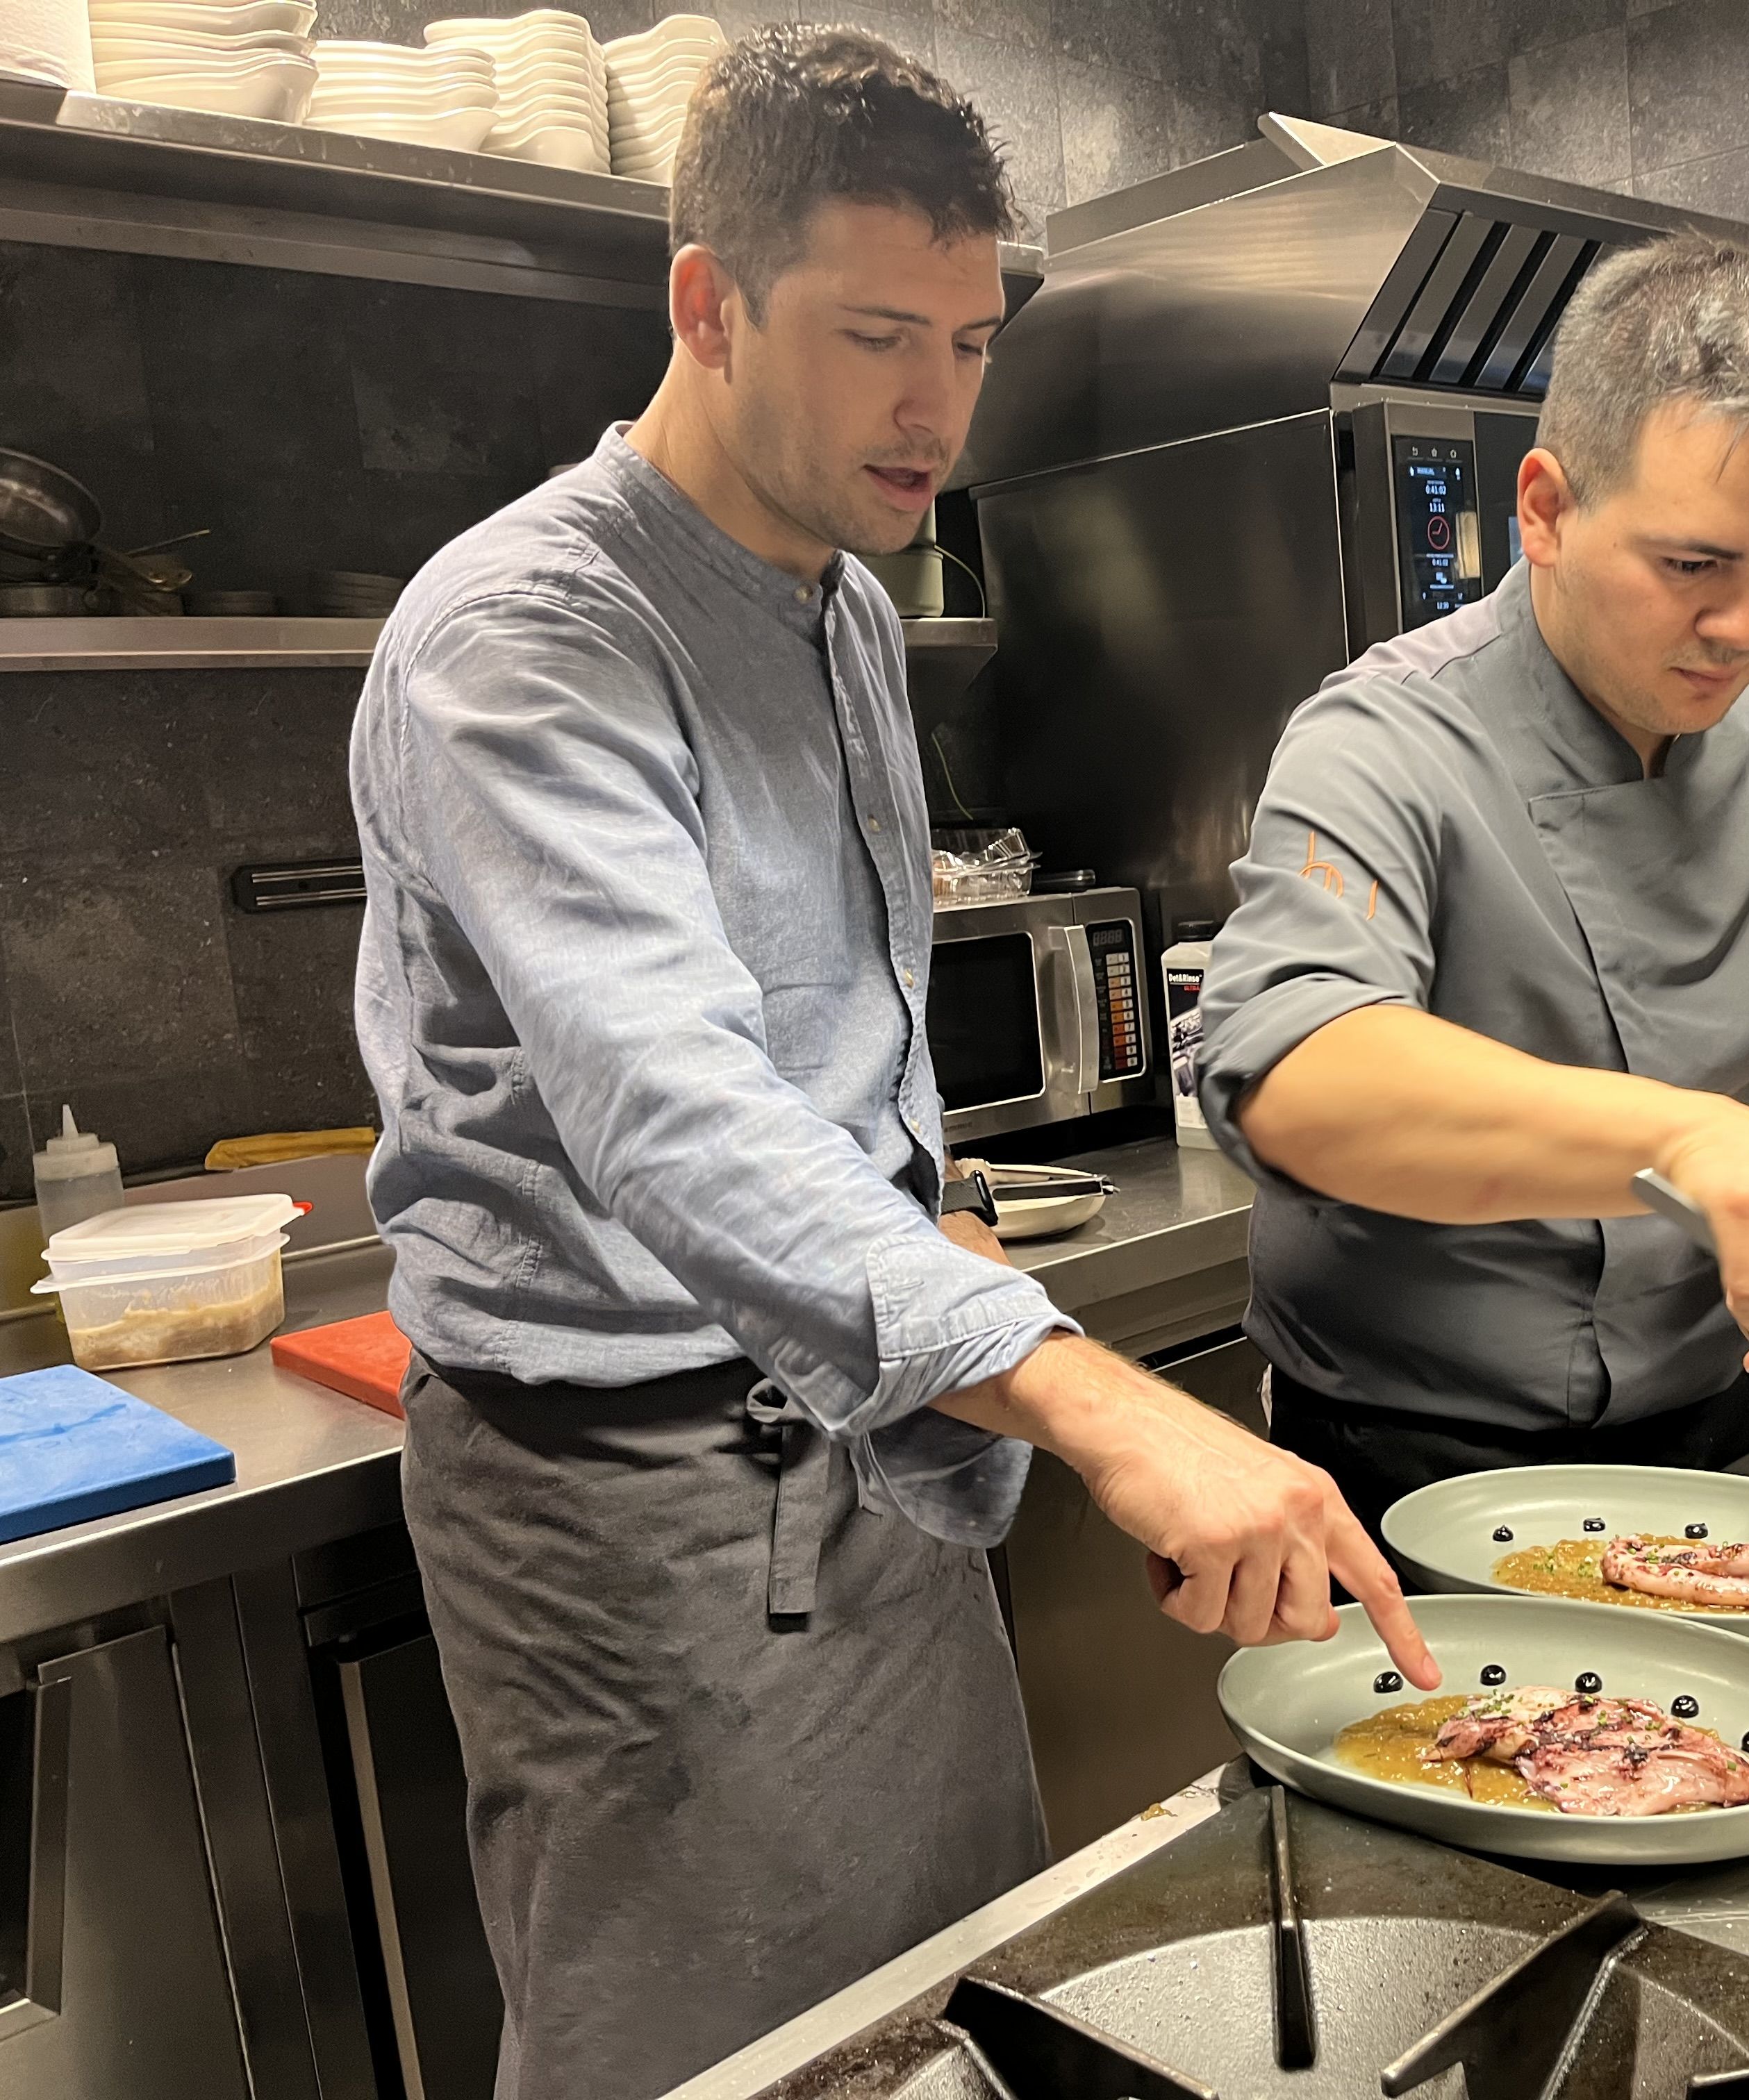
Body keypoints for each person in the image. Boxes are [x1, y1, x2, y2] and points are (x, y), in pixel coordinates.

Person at [347, 31, 1429, 2100]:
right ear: (706, 305)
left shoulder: (842, 592)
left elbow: (832, 1029)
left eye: (971, 337)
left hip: (870, 1450)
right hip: (631, 1500)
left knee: (943, 2008)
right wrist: (1102, 1400)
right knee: (715, 2056)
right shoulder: (527, 637)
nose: (938, 405)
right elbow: (672, 1109)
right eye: (871, 336)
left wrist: (933, 1238)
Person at [1193, 235, 1749, 1540]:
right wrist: (1695, 1138)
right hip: (1419, 1465)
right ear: (1544, 509)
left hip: (1729, 1431)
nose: (1746, 628)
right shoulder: (1384, 739)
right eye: (1693, 566)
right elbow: (1293, 1070)